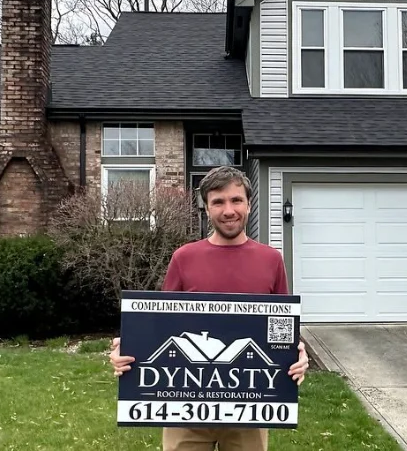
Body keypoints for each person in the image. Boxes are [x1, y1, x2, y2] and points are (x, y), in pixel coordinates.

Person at [109, 165, 309, 451]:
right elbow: (161, 327)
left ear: (249, 204)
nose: (229, 210)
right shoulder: (184, 258)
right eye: (218, 202)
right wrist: (126, 349)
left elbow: (282, 328)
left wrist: (297, 353)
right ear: (206, 208)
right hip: (185, 408)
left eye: (236, 200)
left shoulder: (271, 260)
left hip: (250, 407)